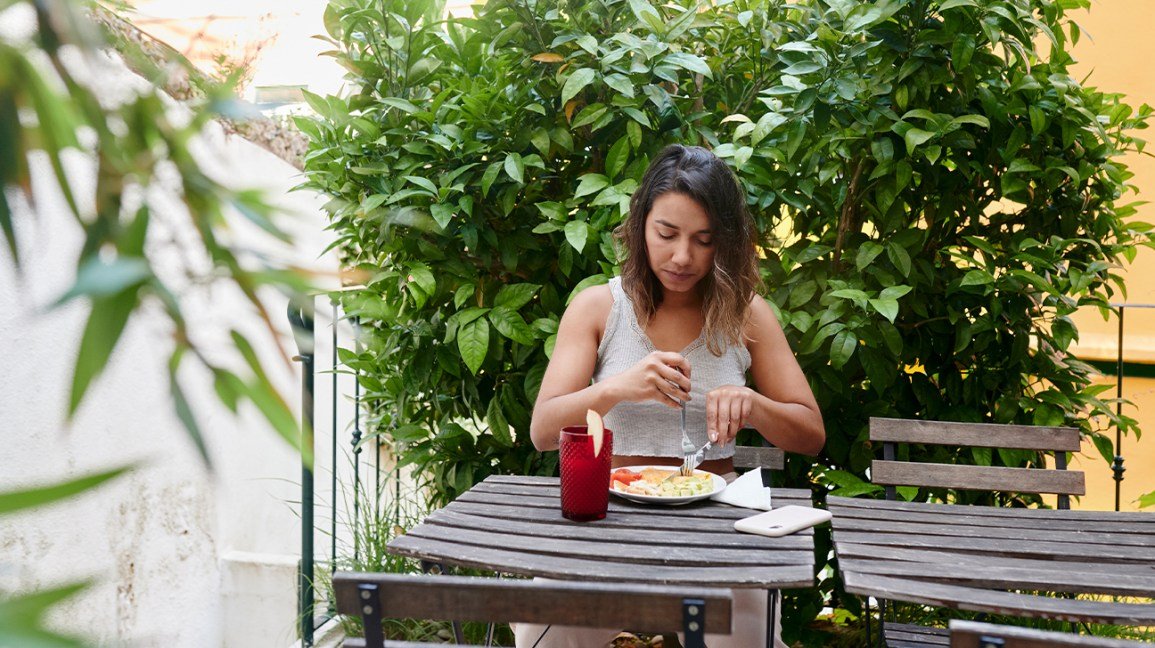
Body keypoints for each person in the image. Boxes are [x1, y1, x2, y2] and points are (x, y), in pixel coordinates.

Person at [518, 144, 825, 648]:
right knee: (545, 634)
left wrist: (753, 404)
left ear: (723, 243)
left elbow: (811, 434)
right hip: (606, 519)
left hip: (719, 528)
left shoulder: (748, 316)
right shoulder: (598, 307)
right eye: (667, 234)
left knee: (745, 638)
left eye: (703, 240)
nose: (682, 257)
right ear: (641, 226)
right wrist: (617, 387)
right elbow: (542, 431)